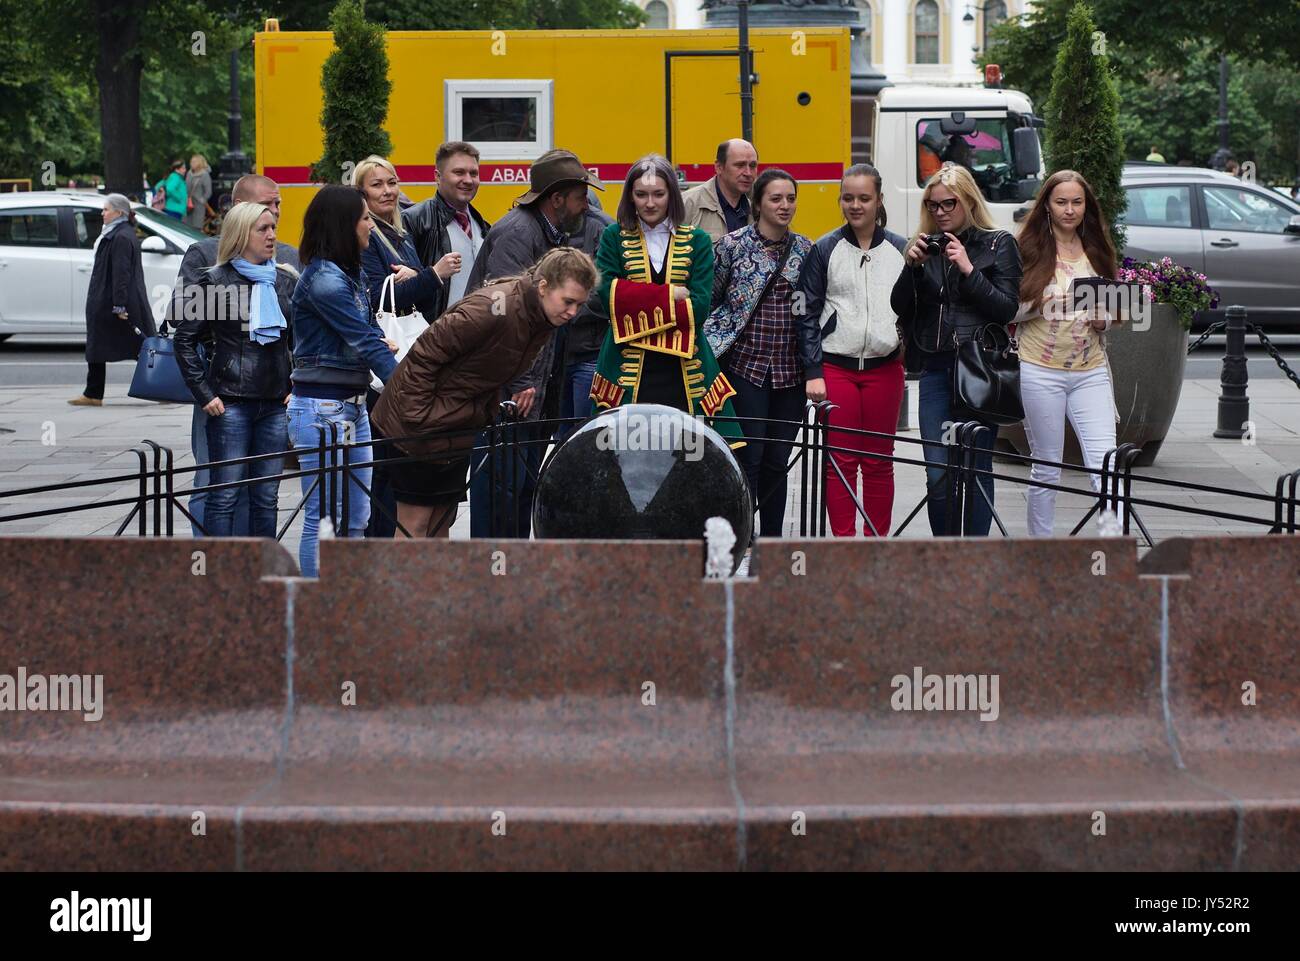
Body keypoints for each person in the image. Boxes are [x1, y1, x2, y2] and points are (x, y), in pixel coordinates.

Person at [371, 248, 597, 538]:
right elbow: (425, 353)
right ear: (543, 287)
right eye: (568, 301)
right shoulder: (496, 306)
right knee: (415, 523)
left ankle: (435, 584)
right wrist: (420, 418)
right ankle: (405, 585)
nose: (573, 312)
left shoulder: (540, 317)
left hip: (453, 423)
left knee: (442, 520)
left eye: (579, 304)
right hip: (419, 424)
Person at [464, 148, 604, 538]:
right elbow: (505, 313)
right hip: (509, 391)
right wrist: (520, 381)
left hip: (532, 388)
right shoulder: (518, 232)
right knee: (499, 490)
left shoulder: (546, 231)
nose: (586, 203)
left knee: (520, 487)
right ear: (556, 198)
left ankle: (512, 571)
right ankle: (495, 574)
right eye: (580, 195)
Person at [890, 162, 1022, 537]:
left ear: (968, 201)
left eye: (949, 204)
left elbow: (1006, 308)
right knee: (938, 472)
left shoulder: (998, 243)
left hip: (980, 371)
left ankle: (973, 555)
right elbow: (900, 306)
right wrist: (912, 268)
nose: (941, 212)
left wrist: (968, 270)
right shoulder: (926, 247)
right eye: (933, 205)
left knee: (977, 467)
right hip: (935, 371)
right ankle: (945, 553)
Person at [168, 174, 300, 537]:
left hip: (274, 398)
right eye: (265, 214)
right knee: (220, 488)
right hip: (228, 395)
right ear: (240, 216)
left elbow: (301, 335)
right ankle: (217, 569)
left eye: (276, 210)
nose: (273, 224)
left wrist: (297, 382)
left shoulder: (287, 267)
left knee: (265, 494)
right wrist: (206, 391)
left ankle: (259, 568)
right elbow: (181, 326)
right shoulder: (206, 263)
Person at [591, 154, 744, 446]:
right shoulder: (613, 236)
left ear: (671, 195)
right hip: (626, 370)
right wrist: (669, 295)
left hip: (685, 372)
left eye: (658, 194)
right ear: (630, 197)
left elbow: (698, 308)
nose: (650, 203)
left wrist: (632, 305)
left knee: (689, 458)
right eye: (641, 194)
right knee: (623, 457)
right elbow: (606, 295)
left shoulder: (696, 239)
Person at [287, 185, 399, 576]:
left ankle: (344, 601)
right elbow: (364, 339)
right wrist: (408, 387)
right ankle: (318, 607)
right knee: (325, 519)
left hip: (351, 406)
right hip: (322, 409)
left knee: (356, 516)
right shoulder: (325, 281)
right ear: (344, 225)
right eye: (365, 218)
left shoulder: (348, 276)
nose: (372, 225)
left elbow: (365, 334)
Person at [797, 163, 909, 538]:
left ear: (879, 200)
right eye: (848, 198)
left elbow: (916, 305)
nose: (856, 205)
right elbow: (806, 312)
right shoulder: (824, 248)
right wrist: (813, 371)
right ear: (840, 200)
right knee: (840, 461)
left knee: (879, 460)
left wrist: (903, 341)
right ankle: (844, 543)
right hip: (836, 367)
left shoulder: (901, 249)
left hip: (884, 368)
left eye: (864, 198)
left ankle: (874, 542)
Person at [352, 155, 459, 537]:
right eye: (377, 184)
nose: (388, 191)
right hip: (388, 362)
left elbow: (415, 297)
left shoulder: (399, 231)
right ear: (361, 194)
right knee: (384, 466)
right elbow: (377, 298)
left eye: (392, 182)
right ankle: (379, 544)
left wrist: (419, 277)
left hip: (409, 355)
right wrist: (434, 274)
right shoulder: (367, 237)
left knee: (399, 464)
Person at [705, 168, 812, 539]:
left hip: (790, 372)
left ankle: (772, 539)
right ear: (759, 204)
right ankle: (741, 537)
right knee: (747, 456)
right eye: (776, 198)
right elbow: (712, 302)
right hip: (745, 367)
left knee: (777, 461)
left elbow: (813, 310)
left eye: (790, 198)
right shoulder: (731, 246)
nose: (785, 206)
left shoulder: (806, 250)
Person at [1014, 170, 1119, 536]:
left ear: (1086, 206)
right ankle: (1041, 550)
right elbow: (1007, 309)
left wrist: (1104, 320)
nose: (1069, 210)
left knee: (1106, 464)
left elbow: (1114, 309)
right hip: (1040, 369)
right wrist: (1041, 303)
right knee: (1046, 467)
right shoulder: (1027, 247)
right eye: (1061, 202)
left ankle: (1111, 544)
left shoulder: (1097, 248)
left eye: (1077, 202)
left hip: (1090, 368)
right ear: (1046, 206)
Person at [70, 194, 154, 407]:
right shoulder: (116, 233)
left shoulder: (121, 237)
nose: (102, 213)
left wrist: (119, 304)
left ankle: (162, 386)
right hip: (107, 299)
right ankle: (93, 393)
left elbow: (121, 273)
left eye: (106, 209)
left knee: (140, 348)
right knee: (100, 346)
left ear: (119, 213)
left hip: (113, 301)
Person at [401, 141, 491, 316]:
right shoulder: (414, 220)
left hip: (476, 331)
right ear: (437, 176)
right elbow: (404, 288)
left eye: (474, 173)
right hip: (432, 335)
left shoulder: (483, 226)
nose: (468, 180)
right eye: (459, 172)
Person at [557, 189, 615, 442]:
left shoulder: (604, 229)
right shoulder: (548, 226)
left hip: (590, 353)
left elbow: (607, 293)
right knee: (560, 434)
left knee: (586, 436)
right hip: (556, 357)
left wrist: (565, 310)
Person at [682, 139, 758, 241]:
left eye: (753, 166)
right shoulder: (687, 204)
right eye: (740, 165)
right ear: (719, 167)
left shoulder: (757, 210)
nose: (748, 173)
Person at [185, 154, 212, 230]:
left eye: (194, 162)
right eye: (191, 162)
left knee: (195, 228)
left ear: (199, 163)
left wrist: (202, 200)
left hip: (198, 207)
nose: (191, 163)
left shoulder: (205, 175)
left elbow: (208, 192)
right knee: (185, 227)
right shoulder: (189, 173)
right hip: (187, 205)